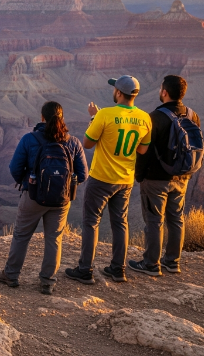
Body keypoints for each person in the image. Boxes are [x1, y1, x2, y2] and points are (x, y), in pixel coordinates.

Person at [0, 102, 87, 295]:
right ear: (62, 117)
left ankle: (10, 276)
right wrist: (66, 185)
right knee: (54, 239)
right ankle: (47, 281)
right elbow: (83, 174)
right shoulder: (73, 142)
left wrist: (28, 183)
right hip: (61, 201)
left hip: (33, 197)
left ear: (42, 117)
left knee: (21, 235)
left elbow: (14, 168)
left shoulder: (29, 139)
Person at [66, 76, 152, 284]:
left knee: (91, 223)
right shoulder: (145, 118)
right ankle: (117, 269)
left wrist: (95, 119)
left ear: (119, 93)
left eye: (115, 89)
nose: (113, 91)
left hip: (102, 178)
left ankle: (85, 269)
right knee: (120, 223)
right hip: (125, 180)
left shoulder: (105, 114)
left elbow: (87, 143)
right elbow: (142, 149)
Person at [129, 75, 200, 276]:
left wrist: (139, 175)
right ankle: (172, 262)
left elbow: (145, 150)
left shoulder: (155, 117)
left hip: (156, 178)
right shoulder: (193, 116)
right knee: (176, 219)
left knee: (154, 220)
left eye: (161, 88)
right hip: (181, 177)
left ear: (164, 92)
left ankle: (151, 264)